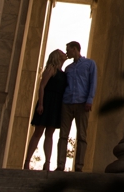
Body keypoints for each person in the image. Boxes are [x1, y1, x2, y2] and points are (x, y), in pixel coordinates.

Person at [24, 49, 67, 171]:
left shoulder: (63, 73)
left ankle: (47, 163)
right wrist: (41, 104)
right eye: (61, 53)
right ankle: (27, 161)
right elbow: (42, 86)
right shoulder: (51, 69)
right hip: (47, 101)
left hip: (56, 104)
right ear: (57, 56)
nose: (64, 53)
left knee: (50, 134)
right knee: (38, 132)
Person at [57, 41, 97, 172]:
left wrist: (89, 100)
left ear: (75, 49)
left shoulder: (90, 64)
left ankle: (79, 166)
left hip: (82, 103)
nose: (67, 53)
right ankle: (61, 165)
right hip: (67, 102)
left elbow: (93, 82)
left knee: (82, 136)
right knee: (63, 135)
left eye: (68, 50)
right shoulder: (68, 68)